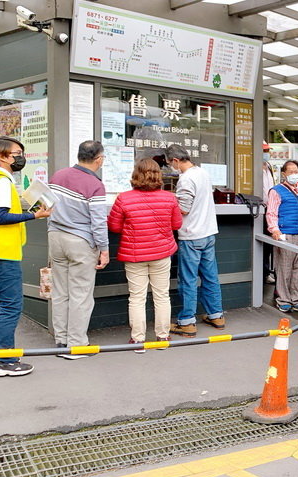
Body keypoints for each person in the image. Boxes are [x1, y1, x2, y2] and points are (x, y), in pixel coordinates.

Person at [0, 137, 50, 377]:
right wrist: (35, 216)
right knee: (10, 306)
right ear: (2, 156)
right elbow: (0, 217)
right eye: (17, 153)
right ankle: (5, 361)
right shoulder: (1, 181)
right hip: (2, 253)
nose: (21, 157)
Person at [108, 158, 183, 352]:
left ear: (136, 174)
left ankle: (138, 340)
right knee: (162, 295)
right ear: (159, 175)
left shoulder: (124, 198)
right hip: (162, 253)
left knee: (137, 297)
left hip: (134, 255)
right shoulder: (169, 198)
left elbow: (114, 226)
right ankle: (162, 337)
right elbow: (177, 225)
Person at [48, 140, 109, 358]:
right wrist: (104, 248)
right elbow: (99, 222)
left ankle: (61, 340)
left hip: (55, 237)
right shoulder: (95, 185)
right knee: (80, 294)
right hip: (80, 240)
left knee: (60, 292)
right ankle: (77, 345)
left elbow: (47, 204)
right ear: (99, 159)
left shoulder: (58, 175)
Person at [165, 144, 225, 338]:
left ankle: (187, 322)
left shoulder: (186, 179)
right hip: (208, 233)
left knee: (188, 280)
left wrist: (168, 200)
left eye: (169, 163)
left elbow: (184, 209)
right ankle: (216, 315)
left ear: (175, 160)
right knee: (210, 277)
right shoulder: (202, 173)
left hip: (191, 235)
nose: (170, 167)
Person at [266, 159, 298, 313]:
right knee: (284, 268)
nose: (294, 174)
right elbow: (271, 212)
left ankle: (297, 299)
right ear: (284, 173)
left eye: (297, 171)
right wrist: (274, 230)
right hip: (285, 233)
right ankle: (284, 299)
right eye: (291, 171)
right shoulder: (276, 190)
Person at [261, 141, 276, 285]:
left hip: (270, 209)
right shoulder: (253, 167)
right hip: (260, 210)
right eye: (264, 150)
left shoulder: (268, 167)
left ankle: (266, 272)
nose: (267, 153)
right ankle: (262, 272)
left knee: (268, 245)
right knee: (262, 244)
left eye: (267, 150)